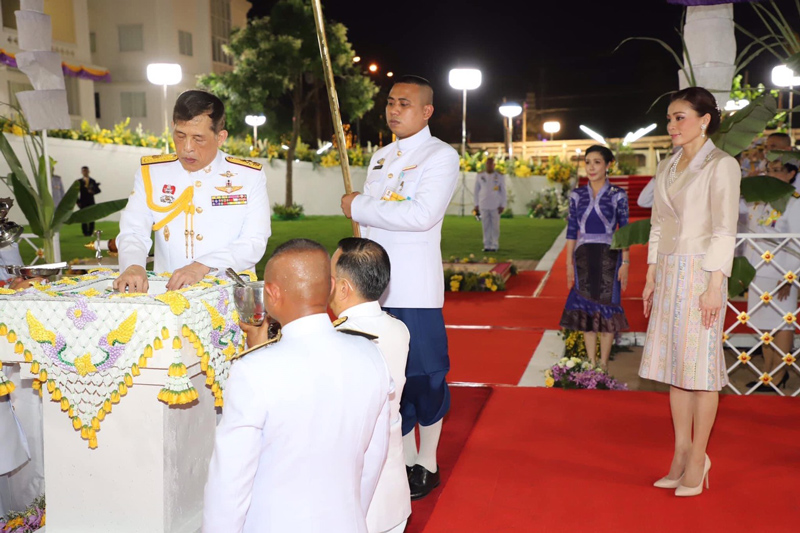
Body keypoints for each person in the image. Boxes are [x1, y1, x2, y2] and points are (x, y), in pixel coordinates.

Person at [203, 239, 392, 533]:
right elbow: (372, 462)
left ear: (271, 293)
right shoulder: (371, 355)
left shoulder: (253, 371)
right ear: (331, 286)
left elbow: (230, 483)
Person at [340, 75, 459, 500]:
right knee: (390, 377)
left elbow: (421, 215)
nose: (393, 109)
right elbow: (373, 221)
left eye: (404, 103)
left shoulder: (440, 155)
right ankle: (406, 460)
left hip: (413, 286)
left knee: (426, 375)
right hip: (374, 286)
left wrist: (358, 204)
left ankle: (428, 461)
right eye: (391, 102)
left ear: (427, 111)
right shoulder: (381, 157)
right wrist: (361, 216)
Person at [639, 87, 741, 497]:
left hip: (702, 274)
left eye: (679, 117)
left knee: (700, 371)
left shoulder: (722, 165)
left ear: (705, 120)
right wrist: (651, 275)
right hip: (668, 272)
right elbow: (658, 225)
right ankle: (680, 452)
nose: (671, 125)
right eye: (669, 118)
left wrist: (715, 287)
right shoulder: (667, 165)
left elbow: (725, 230)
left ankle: (699, 458)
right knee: (676, 368)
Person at [114, 90, 270, 293]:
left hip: (228, 294)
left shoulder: (248, 176)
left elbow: (254, 241)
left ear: (220, 137)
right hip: (167, 294)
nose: (187, 147)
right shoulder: (153, 173)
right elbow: (133, 231)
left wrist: (203, 266)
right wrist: (133, 265)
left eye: (198, 138)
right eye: (180, 135)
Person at [329, 237, 411, 533]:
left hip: (352, 490)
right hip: (392, 487)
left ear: (343, 288)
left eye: (330, 277)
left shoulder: (337, 338)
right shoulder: (398, 328)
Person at [559, 145, 630, 370]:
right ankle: (591, 364)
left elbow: (624, 230)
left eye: (597, 162)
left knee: (608, 308)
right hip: (583, 257)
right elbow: (572, 230)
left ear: (608, 165)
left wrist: (626, 262)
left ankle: (604, 365)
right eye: (588, 162)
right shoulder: (577, 195)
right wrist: (568, 263)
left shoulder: (618, 194)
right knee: (586, 308)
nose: (591, 167)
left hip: (610, 256)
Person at [741, 159, 800, 391]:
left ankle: (779, 374)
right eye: (769, 170)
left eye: (777, 170)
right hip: (758, 270)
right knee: (763, 326)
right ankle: (767, 372)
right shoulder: (760, 200)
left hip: (781, 271)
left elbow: (797, 241)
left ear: (791, 174)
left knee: (782, 324)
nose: (771, 174)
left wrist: (790, 275)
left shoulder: (794, 202)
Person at [473, 157, 507, 251]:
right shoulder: (480, 175)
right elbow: (476, 191)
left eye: (491, 164)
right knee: (485, 226)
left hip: (495, 205)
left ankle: (494, 245)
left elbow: (503, 191)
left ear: (494, 165)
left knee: (495, 226)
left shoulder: (499, 176)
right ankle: (486, 245)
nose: (489, 166)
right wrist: (476, 204)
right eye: (487, 164)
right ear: (485, 165)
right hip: (483, 204)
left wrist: (503, 205)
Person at [76, 166, 101, 236]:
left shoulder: (92, 181)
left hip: (91, 201)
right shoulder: (79, 182)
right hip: (82, 201)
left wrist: (92, 191)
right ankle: (85, 232)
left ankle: (90, 231)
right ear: (82, 172)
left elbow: (98, 190)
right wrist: (77, 201)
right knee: (83, 217)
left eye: (86, 171)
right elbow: (75, 192)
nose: (85, 172)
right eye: (84, 171)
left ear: (88, 171)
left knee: (92, 217)